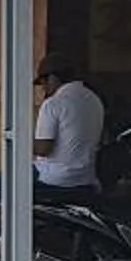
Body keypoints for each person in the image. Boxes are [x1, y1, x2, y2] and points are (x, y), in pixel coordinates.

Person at [33, 58, 106, 205]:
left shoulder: (53, 103)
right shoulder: (94, 99)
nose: (43, 88)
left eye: (43, 82)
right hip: (86, 177)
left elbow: (43, 149)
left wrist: (21, 142)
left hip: (55, 178)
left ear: (53, 78)